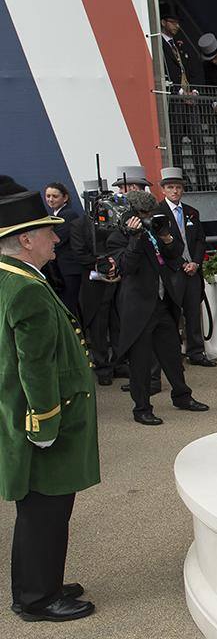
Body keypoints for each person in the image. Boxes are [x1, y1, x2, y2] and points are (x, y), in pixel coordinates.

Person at [0, 187, 99, 622]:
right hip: (42, 422)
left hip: (23, 416)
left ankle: (42, 584)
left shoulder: (13, 277)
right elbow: (35, 366)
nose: (56, 240)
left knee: (42, 512)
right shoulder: (26, 290)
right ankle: (37, 598)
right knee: (45, 511)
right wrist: (44, 426)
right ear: (25, 239)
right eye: (48, 232)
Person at [107, 191, 208, 424]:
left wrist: (167, 237)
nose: (147, 217)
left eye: (149, 213)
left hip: (163, 302)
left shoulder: (155, 229)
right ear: (131, 213)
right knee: (141, 361)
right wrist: (135, 237)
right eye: (143, 214)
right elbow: (126, 267)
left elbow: (174, 256)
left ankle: (182, 396)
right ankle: (141, 408)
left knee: (172, 354)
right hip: (138, 307)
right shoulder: (117, 237)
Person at [157, 167, 215, 367]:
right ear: (163, 190)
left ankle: (196, 352)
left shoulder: (192, 212)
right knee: (172, 315)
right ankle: (173, 356)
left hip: (193, 271)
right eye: (171, 187)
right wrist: (182, 264)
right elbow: (161, 247)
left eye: (178, 187)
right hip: (173, 271)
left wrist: (196, 263)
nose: (175, 191)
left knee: (193, 313)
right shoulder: (158, 213)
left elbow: (200, 240)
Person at [69, 180, 121, 387]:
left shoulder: (113, 221)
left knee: (116, 324)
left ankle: (118, 363)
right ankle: (102, 367)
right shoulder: (78, 225)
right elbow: (79, 254)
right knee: (98, 328)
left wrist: (114, 263)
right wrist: (102, 264)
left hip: (115, 282)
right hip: (94, 284)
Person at [43, 182, 81, 317]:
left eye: (55, 196)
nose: (50, 199)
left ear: (65, 198)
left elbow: (58, 240)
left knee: (69, 308)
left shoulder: (68, 215)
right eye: (48, 196)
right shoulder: (56, 214)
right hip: (61, 270)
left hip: (69, 270)